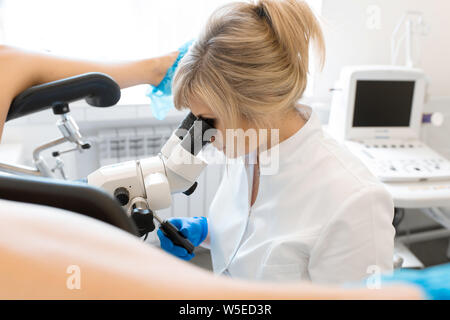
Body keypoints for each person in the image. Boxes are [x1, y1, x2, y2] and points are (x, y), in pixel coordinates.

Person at [158, 0, 395, 284]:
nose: (201, 135)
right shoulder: (248, 149)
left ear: (258, 106)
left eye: (209, 120)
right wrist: (207, 231)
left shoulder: (354, 200)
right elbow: (252, 239)